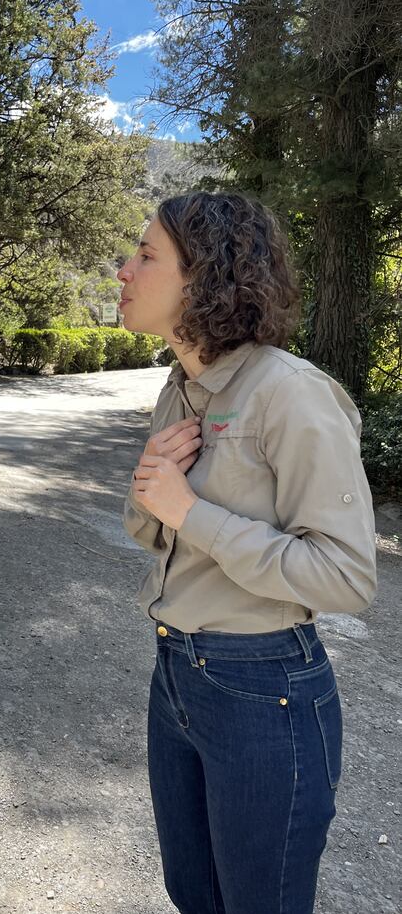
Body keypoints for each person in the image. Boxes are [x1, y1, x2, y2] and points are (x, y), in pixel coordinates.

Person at [117, 192, 376, 914]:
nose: (124, 271)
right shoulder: (179, 389)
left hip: (267, 690)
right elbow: (150, 528)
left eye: (145, 255)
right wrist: (152, 495)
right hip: (174, 672)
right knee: (192, 892)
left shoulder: (290, 394)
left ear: (201, 276)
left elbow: (347, 574)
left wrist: (192, 513)